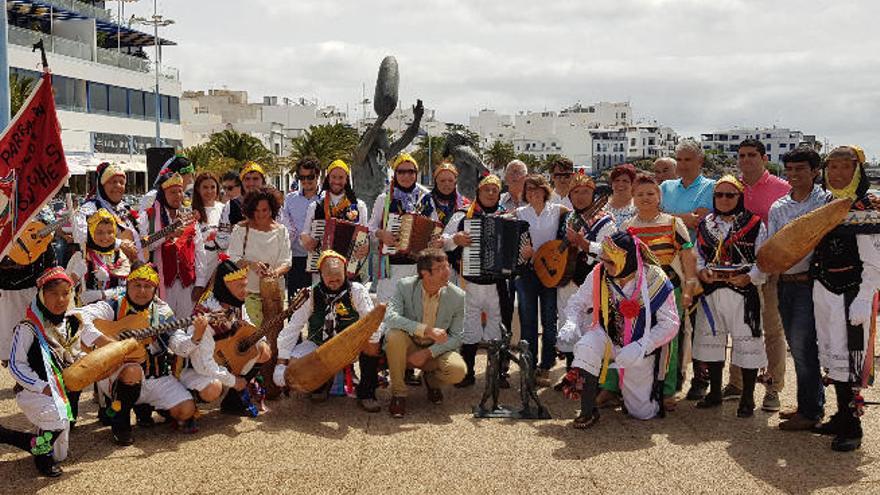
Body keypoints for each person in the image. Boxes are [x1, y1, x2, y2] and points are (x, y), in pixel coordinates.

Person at [558, 231, 679, 428]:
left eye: (611, 262)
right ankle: (588, 411)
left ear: (628, 259)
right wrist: (571, 322)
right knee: (585, 347)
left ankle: (629, 395)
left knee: (642, 413)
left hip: (640, 348)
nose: (605, 266)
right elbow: (578, 302)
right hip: (607, 336)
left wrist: (642, 346)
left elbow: (671, 323)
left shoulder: (655, 278)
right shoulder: (599, 273)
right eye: (604, 260)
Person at [598, 174, 698, 410]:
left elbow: (687, 255)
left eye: (650, 193)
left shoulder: (674, 224)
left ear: (659, 196)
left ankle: (666, 391)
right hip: (633, 292)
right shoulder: (626, 227)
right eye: (640, 194)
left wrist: (689, 288)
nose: (645, 198)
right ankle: (612, 388)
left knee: (667, 341)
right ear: (633, 197)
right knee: (621, 336)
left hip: (668, 289)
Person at [78, 262, 198, 446]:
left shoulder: (163, 312)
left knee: (186, 411)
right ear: (128, 285)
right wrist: (102, 340)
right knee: (132, 370)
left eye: (148, 286)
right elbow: (79, 314)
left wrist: (195, 338)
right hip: (118, 373)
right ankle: (121, 422)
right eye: (137, 285)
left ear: (155, 289)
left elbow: (178, 343)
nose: (142, 291)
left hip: (156, 376)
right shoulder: (114, 305)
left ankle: (144, 406)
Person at [810, 145, 880, 452]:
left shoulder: (868, 205)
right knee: (831, 353)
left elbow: (875, 260)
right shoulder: (827, 202)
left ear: (857, 170)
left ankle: (853, 427)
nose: (837, 174)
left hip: (852, 291)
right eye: (832, 168)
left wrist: (865, 297)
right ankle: (840, 416)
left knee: (850, 357)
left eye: (844, 167)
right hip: (824, 287)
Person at [5, 268, 94, 476]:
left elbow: (74, 357)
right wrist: (41, 386)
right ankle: (40, 455)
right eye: (53, 293)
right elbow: (16, 365)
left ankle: (27, 441)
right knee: (57, 416)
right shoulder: (27, 327)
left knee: (61, 453)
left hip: (60, 391)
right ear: (41, 295)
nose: (60, 299)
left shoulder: (71, 323)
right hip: (33, 391)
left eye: (65, 293)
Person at [692, 175, 768, 418]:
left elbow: (763, 258)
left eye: (730, 195)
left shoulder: (755, 223)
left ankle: (747, 397)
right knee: (711, 343)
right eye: (719, 195)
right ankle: (714, 392)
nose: (724, 200)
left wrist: (750, 277)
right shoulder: (706, 223)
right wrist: (702, 271)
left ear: (740, 197)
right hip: (711, 292)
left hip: (742, 292)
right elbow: (698, 255)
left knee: (747, 342)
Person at [727, 138, 791, 412]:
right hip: (736, 271)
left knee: (772, 331)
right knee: (738, 328)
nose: (746, 160)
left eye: (752, 155)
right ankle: (737, 383)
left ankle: (773, 388)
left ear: (764, 158)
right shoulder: (732, 188)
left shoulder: (782, 188)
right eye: (741, 155)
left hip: (770, 271)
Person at [769, 146, 828, 431]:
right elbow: (771, 245)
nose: (793, 175)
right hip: (785, 283)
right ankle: (809, 402)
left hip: (812, 284)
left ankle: (812, 410)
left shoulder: (826, 202)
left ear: (815, 171)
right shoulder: (779, 207)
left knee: (805, 348)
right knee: (797, 345)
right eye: (789, 170)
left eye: (800, 169)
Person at [274, 251, 382, 408]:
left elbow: (370, 321)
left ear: (345, 272)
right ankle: (322, 384)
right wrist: (281, 362)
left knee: (373, 341)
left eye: (338, 279)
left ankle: (367, 394)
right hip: (319, 346)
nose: (334, 284)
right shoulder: (310, 294)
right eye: (329, 280)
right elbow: (293, 327)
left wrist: (369, 337)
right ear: (320, 275)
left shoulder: (357, 291)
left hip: (351, 346)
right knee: (294, 367)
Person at [178, 255, 271, 416]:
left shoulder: (235, 303)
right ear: (225, 287)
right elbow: (203, 364)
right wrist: (234, 381)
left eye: (245, 286)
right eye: (240, 286)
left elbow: (249, 326)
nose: (246, 291)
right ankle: (186, 401)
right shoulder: (206, 311)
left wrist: (261, 340)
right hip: (198, 367)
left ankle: (233, 402)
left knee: (263, 350)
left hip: (224, 360)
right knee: (213, 389)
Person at [659, 139, 715, 400]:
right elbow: (653, 214)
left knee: (698, 323)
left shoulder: (710, 187)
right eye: (678, 159)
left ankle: (700, 378)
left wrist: (669, 218)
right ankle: (674, 375)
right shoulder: (666, 186)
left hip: (695, 264)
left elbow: (700, 218)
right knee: (673, 323)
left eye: (687, 160)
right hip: (665, 265)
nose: (682, 164)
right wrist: (683, 218)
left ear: (699, 162)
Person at [442, 174, 510, 387]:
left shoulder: (507, 217)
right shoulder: (462, 216)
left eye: (494, 190)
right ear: (478, 192)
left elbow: (517, 247)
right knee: (468, 326)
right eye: (486, 190)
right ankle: (467, 373)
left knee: (497, 327)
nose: (490, 194)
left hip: (498, 284)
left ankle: (497, 374)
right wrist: (456, 239)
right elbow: (441, 242)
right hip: (469, 281)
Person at [383, 248, 466, 418]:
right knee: (394, 335)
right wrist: (426, 330)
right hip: (408, 346)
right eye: (440, 268)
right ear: (425, 274)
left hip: (436, 349)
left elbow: (458, 336)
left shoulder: (458, 296)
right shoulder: (405, 286)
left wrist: (428, 353)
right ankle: (398, 394)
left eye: (447, 266)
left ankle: (431, 381)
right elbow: (390, 318)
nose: (447, 272)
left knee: (458, 371)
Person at [554, 172, 615, 389]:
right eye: (576, 192)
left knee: (590, 330)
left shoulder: (606, 221)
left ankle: (590, 382)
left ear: (594, 194)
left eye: (586, 192)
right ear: (570, 196)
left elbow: (609, 253)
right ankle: (571, 376)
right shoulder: (568, 218)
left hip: (590, 284)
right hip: (567, 281)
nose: (581, 197)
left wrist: (582, 243)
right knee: (568, 324)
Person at [515, 174, 567, 386]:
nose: (533, 193)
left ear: (545, 190)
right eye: (529, 190)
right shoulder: (519, 213)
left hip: (550, 272)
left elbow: (569, 230)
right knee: (527, 319)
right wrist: (523, 253)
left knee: (548, 319)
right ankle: (528, 364)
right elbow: (512, 241)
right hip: (526, 272)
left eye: (537, 189)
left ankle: (546, 365)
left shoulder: (558, 210)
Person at [370, 153, 439, 303]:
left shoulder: (426, 198)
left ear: (416, 173)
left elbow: (436, 226)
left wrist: (434, 240)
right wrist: (382, 234)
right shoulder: (384, 198)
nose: (406, 176)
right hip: (392, 265)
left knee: (415, 312)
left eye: (411, 171)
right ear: (395, 174)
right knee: (388, 311)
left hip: (418, 266)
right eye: (401, 172)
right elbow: (371, 227)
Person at [138, 171, 206, 320]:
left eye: (180, 191)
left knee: (186, 326)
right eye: (172, 192)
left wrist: (200, 283)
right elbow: (143, 245)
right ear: (163, 194)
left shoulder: (189, 217)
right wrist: (168, 234)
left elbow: (200, 251)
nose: (178, 196)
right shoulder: (148, 217)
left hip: (187, 285)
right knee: (162, 326)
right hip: (161, 284)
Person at [0, 208, 58, 367]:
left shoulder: (42, 210)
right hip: (7, 293)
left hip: (34, 289)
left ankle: (33, 372)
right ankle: (18, 373)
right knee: (9, 340)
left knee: (35, 337)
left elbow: (51, 264)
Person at [227, 187, 291, 327]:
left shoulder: (281, 231)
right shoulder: (240, 229)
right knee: (254, 337)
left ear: (272, 209)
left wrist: (275, 273)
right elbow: (233, 258)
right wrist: (251, 264)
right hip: (248, 294)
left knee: (274, 336)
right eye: (256, 210)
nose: (261, 214)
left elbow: (286, 262)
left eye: (265, 210)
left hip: (274, 294)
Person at [299, 159, 370, 282]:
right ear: (328, 178)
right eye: (333, 177)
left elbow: (365, 237)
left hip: (349, 270)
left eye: (341, 177)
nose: (337, 181)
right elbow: (305, 233)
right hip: (322, 272)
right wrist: (305, 239)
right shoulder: (315, 207)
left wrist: (365, 247)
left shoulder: (359, 206)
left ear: (347, 179)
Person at [72, 162, 140, 261]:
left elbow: (140, 243)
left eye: (121, 182)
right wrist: (118, 243)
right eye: (112, 182)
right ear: (102, 186)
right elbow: (81, 236)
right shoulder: (90, 208)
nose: (117, 185)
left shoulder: (127, 209)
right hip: (101, 270)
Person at [66, 208, 131, 305]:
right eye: (100, 232)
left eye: (110, 232)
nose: (105, 237)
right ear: (91, 233)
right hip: (86, 311)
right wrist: (75, 276)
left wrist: (102, 294)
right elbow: (64, 289)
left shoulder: (120, 256)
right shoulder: (81, 256)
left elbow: (129, 288)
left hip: (114, 311)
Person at [499, 159, 529, 354]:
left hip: (528, 265)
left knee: (527, 311)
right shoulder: (499, 201)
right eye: (512, 172)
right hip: (504, 263)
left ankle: (527, 351)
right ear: (506, 178)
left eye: (519, 172)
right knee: (505, 310)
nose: (515, 176)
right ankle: (503, 354)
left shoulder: (534, 200)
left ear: (526, 177)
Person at [281, 156, 322, 294]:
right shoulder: (290, 199)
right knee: (296, 304)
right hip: (297, 258)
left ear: (317, 175)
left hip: (321, 258)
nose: (305, 181)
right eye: (301, 177)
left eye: (310, 177)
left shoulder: (326, 198)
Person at [217, 161, 268, 250]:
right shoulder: (231, 205)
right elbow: (221, 240)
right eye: (247, 179)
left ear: (263, 181)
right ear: (242, 182)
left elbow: (286, 234)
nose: (251, 183)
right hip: (242, 260)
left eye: (255, 179)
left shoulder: (273, 203)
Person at [191, 172, 225, 303]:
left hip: (220, 271)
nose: (209, 191)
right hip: (199, 273)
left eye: (212, 187)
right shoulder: (191, 211)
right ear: (198, 189)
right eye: (205, 187)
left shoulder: (224, 209)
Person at [419, 161, 471, 227]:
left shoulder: (465, 204)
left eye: (450, 180)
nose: (446, 184)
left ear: (455, 182)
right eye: (442, 181)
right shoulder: (425, 202)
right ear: (436, 182)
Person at [604, 164, 638, 230]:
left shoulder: (638, 207)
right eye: (617, 180)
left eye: (625, 181)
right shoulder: (602, 207)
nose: (621, 184)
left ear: (632, 184)